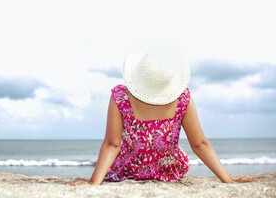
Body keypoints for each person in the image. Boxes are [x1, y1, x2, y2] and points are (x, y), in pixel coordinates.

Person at [66, 40, 255, 186]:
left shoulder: (121, 97)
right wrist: (229, 181)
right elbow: (199, 144)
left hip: (128, 170)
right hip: (168, 171)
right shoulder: (182, 99)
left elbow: (112, 144)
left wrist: (93, 183)